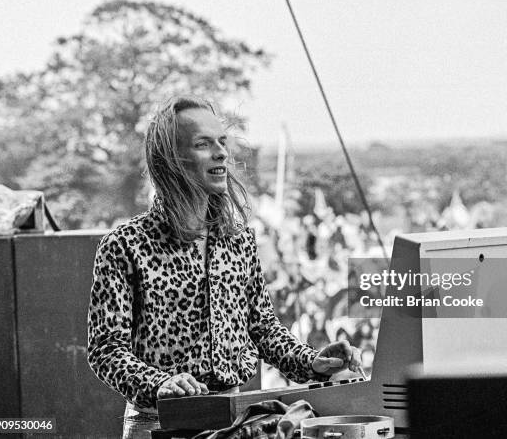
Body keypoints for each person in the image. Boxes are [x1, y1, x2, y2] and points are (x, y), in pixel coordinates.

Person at [87, 95, 362, 438]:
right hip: (158, 425)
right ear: (170, 161)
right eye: (204, 144)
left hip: (234, 422)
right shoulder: (125, 244)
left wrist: (311, 362)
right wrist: (160, 383)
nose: (221, 153)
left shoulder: (239, 240)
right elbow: (105, 350)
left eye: (222, 141)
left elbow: (263, 330)